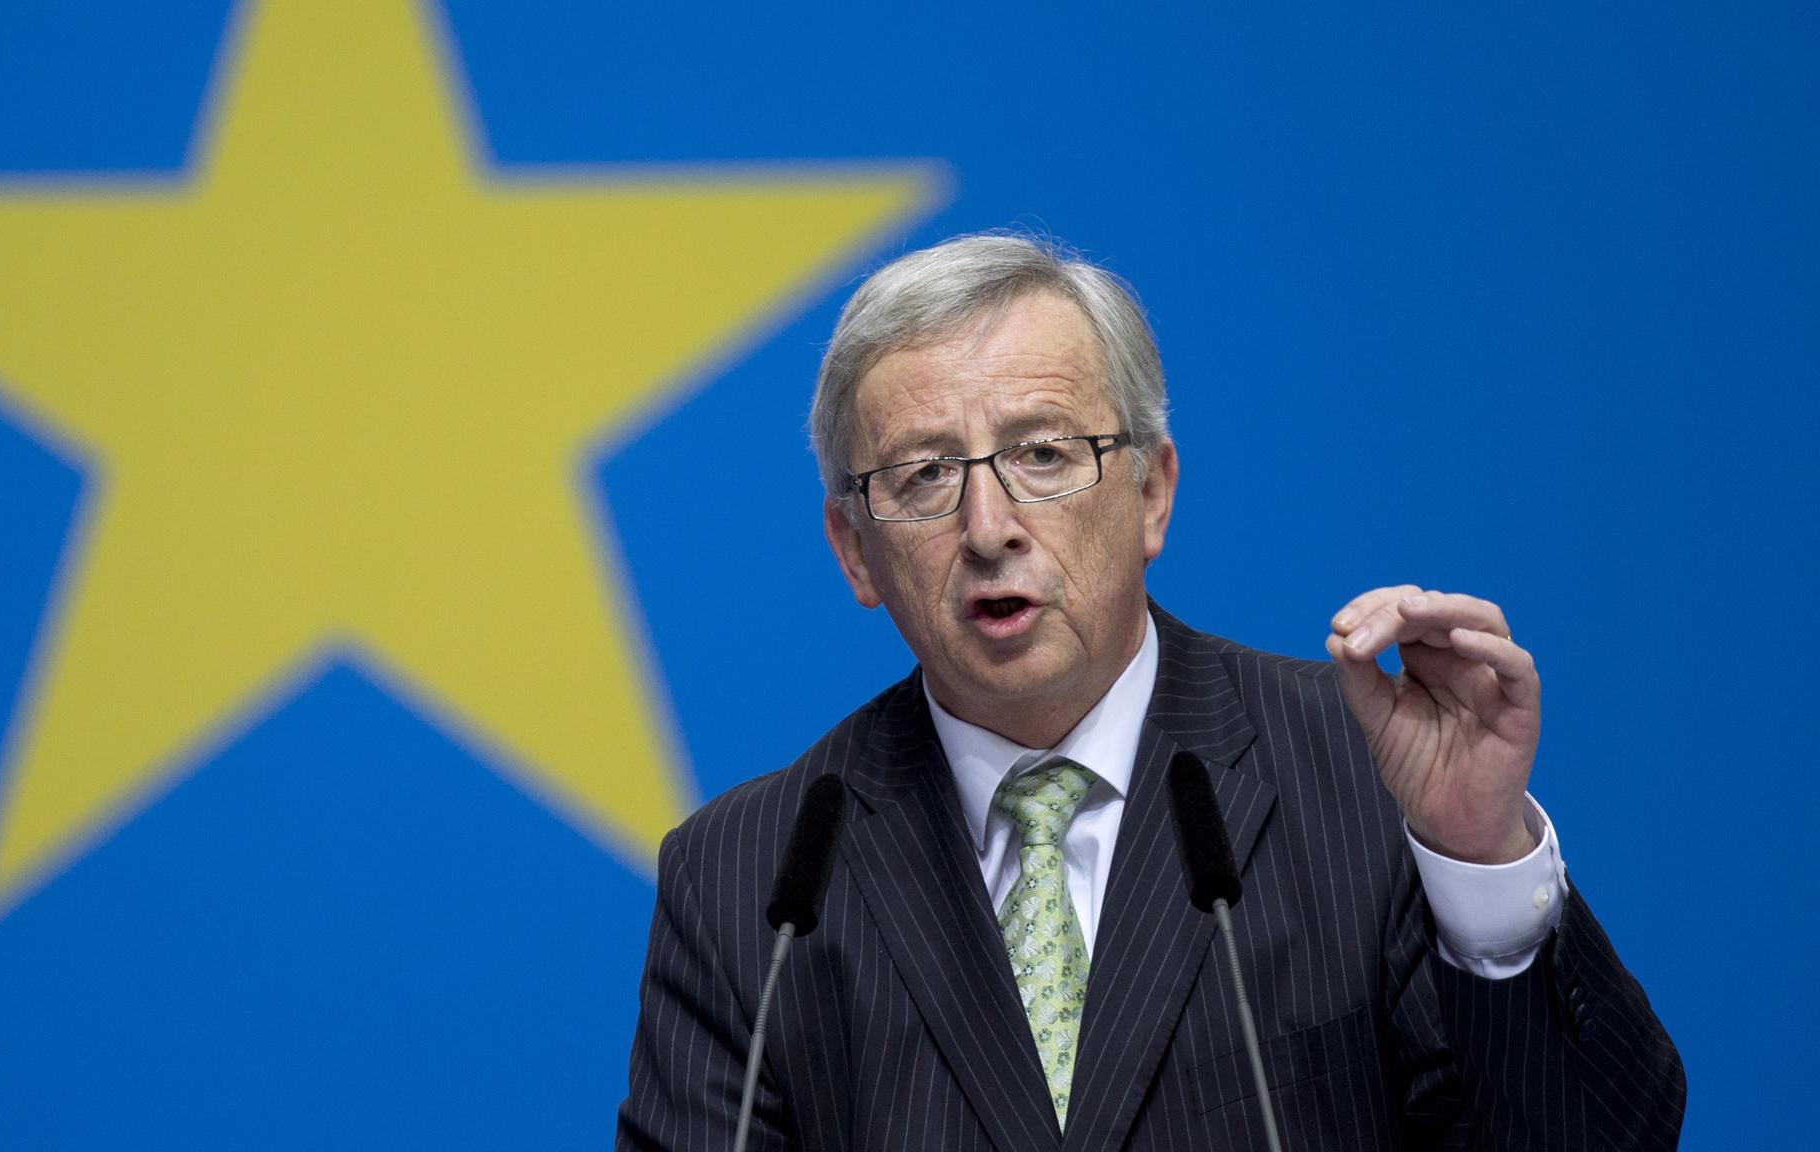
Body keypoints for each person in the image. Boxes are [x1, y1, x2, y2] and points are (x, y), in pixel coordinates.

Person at [617, 233, 1684, 1150]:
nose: (988, 528)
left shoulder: (1370, 770)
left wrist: (1477, 859)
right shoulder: (750, 881)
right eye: (924, 475)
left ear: (1152, 494)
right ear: (854, 551)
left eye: (1042, 453)